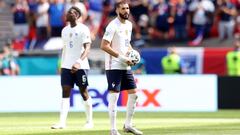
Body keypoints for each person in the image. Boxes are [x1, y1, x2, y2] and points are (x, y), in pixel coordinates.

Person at [100, 1, 143, 135]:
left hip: (125, 66)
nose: (126, 11)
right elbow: (104, 45)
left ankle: (128, 125)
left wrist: (133, 54)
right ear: (117, 10)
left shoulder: (129, 25)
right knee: (114, 97)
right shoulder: (112, 26)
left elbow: (126, 43)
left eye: (127, 8)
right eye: (123, 8)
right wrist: (122, 57)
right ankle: (113, 129)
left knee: (134, 95)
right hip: (114, 66)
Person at [51, 6, 93, 129]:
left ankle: (89, 121)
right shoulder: (64, 30)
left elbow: (87, 48)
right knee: (65, 92)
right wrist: (62, 64)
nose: (68, 13)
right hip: (66, 66)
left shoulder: (84, 29)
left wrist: (79, 62)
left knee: (83, 92)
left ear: (77, 16)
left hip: (81, 66)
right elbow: (65, 49)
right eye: (68, 12)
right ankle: (62, 123)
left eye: (72, 12)